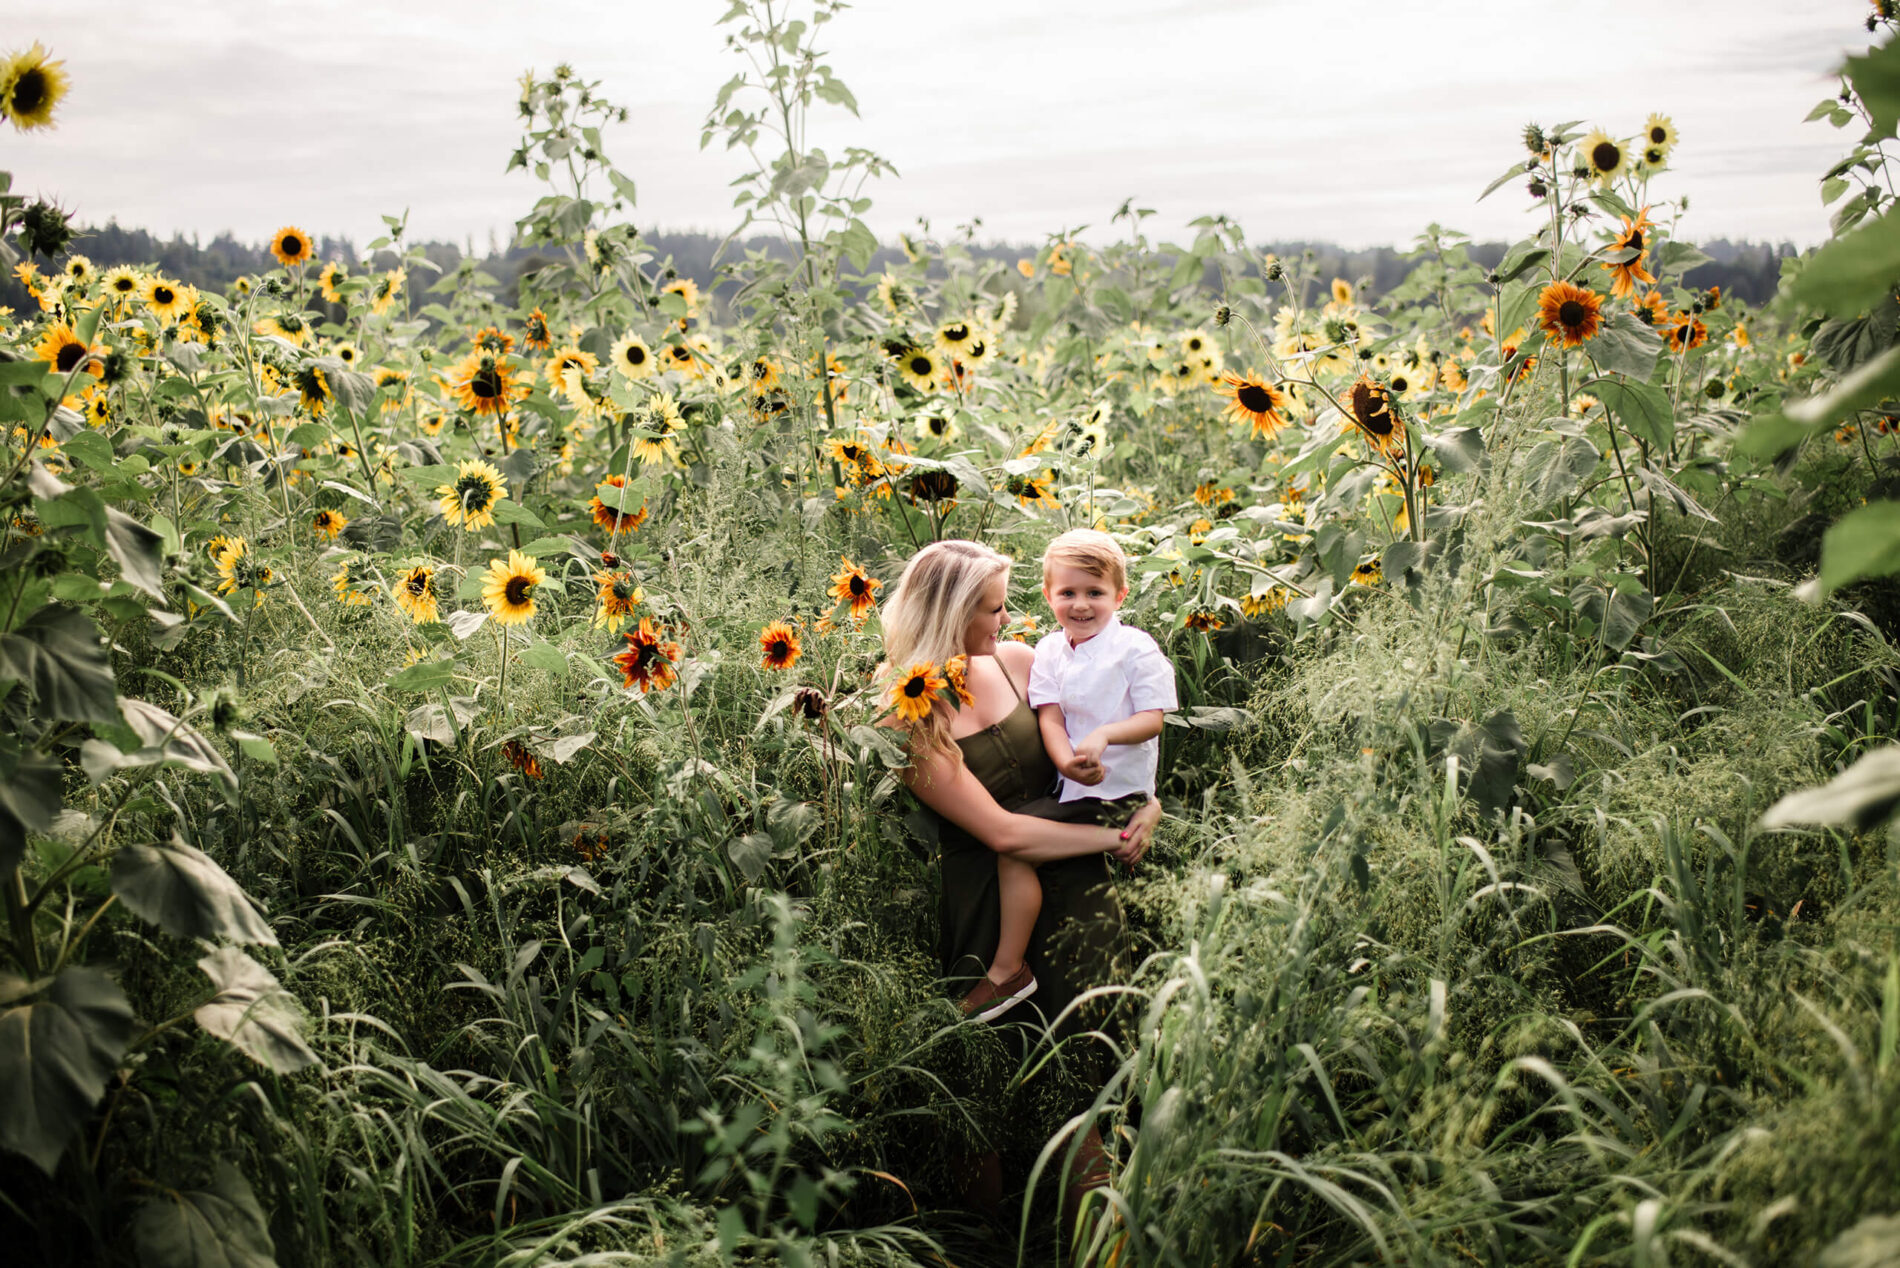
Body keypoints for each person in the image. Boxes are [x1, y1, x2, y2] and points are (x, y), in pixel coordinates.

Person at [874, 538, 1161, 1221]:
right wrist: (1109, 838)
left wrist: (1145, 804)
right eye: (992, 610)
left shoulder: (1018, 662)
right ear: (948, 615)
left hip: (1077, 891)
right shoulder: (907, 714)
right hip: (991, 903)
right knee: (985, 1086)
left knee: (1082, 1073)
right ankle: (987, 1238)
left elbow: (1103, 749)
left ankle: (1100, 1234)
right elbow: (1000, 832)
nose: (1005, 623)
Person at [970, 529, 1177, 1022]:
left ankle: (1008, 972)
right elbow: (1051, 718)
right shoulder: (1047, 652)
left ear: (1119, 595)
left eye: (1095, 593)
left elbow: (1153, 719)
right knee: (1016, 844)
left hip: (1121, 792)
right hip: (1075, 791)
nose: (1080, 605)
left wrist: (1104, 737)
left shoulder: (1135, 649)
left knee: (1017, 850)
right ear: (1048, 595)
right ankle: (1014, 969)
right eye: (1067, 593)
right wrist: (1065, 762)